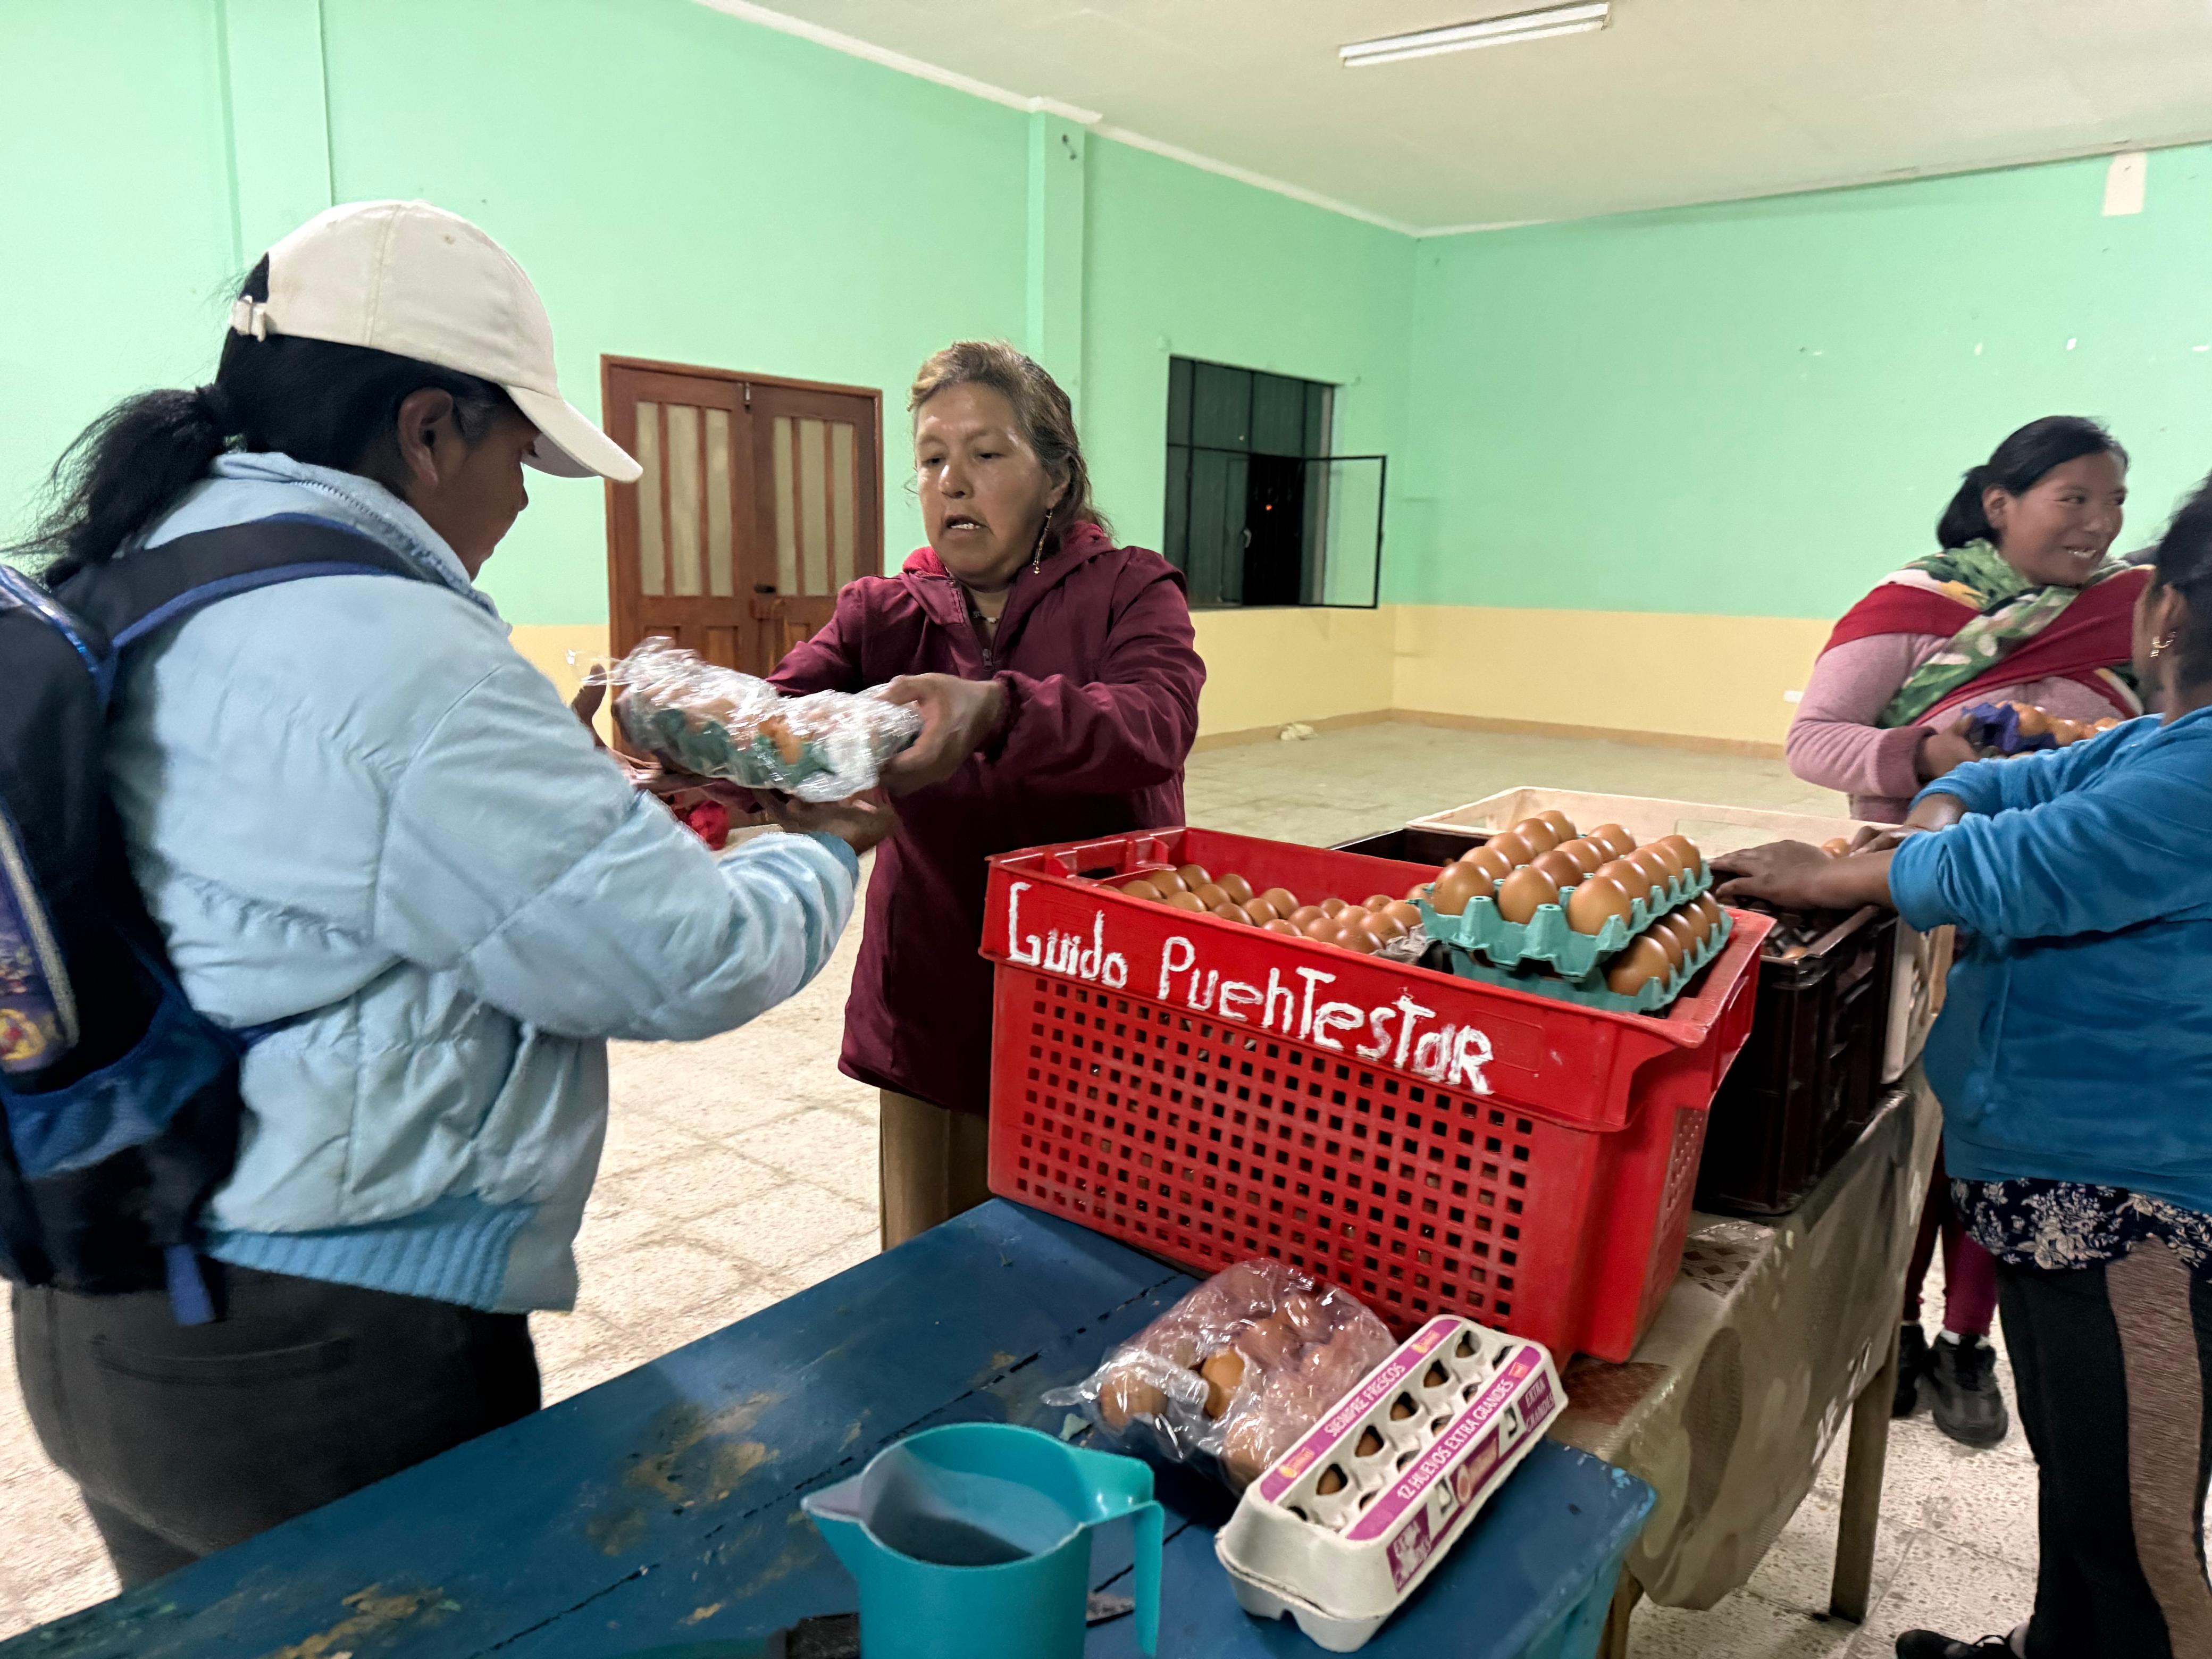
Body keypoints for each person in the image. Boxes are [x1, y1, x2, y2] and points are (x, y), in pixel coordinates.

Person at [7, 200, 892, 1586]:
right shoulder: (384, 642)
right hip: (319, 1349)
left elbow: (333, 871)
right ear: (428, 430)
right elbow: (692, 957)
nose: (525, 499)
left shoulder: (160, 559)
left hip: (102, 1301)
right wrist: (827, 839)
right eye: (521, 454)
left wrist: (601, 820)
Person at [1719, 475, 2212, 1659]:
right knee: (2079, 1469)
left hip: (2138, 1208)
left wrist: (1839, 873)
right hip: (2055, 1175)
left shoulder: (2198, 772)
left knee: (2138, 1528)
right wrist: (1946, 802)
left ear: (2165, 615)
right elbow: (2008, 788)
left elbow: (2019, 865)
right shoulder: (2157, 744)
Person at [768, 341, 1205, 1247]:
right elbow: (774, 717)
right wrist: (688, 753)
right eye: (932, 459)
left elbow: (1154, 722)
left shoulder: (1132, 591)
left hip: (1099, 1003)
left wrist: (999, 709)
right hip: (937, 1004)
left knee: (1095, 1262)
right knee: (932, 1264)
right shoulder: (882, 615)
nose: (952, 482)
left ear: (1056, 478)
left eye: (986, 453)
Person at [1785, 415, 2148, 1448]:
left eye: (2114, 502)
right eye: (2073, 498)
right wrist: (1921, 756)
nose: (2099, 523)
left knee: (2000, 1130)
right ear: (2001, 503)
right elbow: (1813, 740)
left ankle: (1966, 1339)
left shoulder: (2132, 610)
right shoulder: (1915, 607)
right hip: (1913, 901)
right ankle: (1893, 1325)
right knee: (1911, 1125)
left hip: (2057, 917)